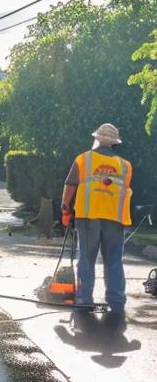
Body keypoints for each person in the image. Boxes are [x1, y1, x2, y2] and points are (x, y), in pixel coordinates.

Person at [62, 123, 131, 315]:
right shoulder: (125, 166)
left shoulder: (84, 159)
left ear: (97, 139)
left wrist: (65, 208)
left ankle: (84, 299)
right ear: (115, 143)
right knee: (114, 261)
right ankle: (116, 300)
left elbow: (70, 186)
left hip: (88, 218)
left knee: (86, 260)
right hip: (115, 220)